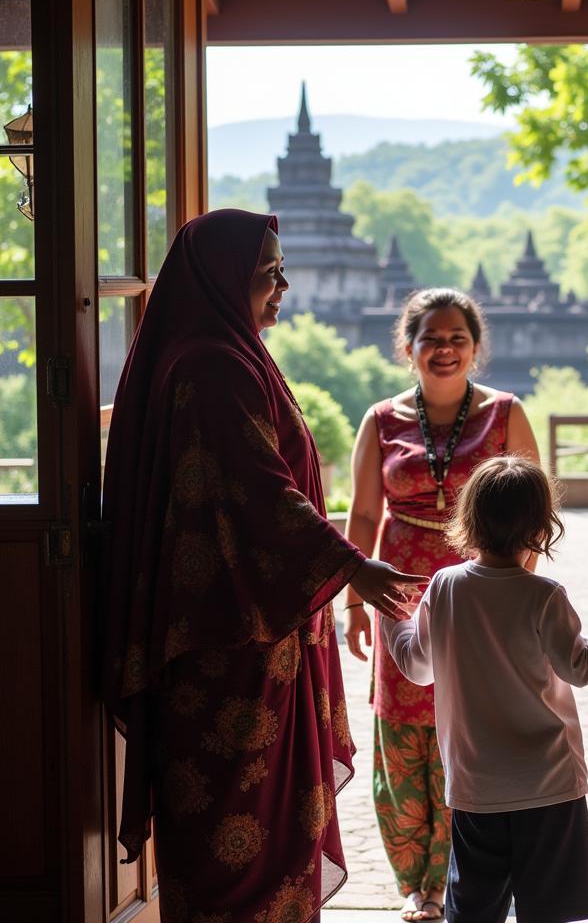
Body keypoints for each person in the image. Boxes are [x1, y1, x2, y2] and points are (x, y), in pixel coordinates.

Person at [100, 209, 425, 923]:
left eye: (281, 272)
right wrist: (351, 569)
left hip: (246, 634)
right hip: (230, 650)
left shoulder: (222, 350)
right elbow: (256, 490)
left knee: (250, 838)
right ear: (222, 280)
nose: (283, 288)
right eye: (266, 275)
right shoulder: (213, 365)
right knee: (237, 841)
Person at [343, 288, 541, 922]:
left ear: (476, 349)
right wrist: (353, 603)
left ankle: (463, 878)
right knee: (402, 735)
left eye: (458, 338)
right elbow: (366, 513)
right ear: (408, 348)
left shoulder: (506, 414)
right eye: (432, 339)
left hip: (482, 592)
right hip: (399, 594)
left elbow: (533, 512)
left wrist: (513, 591)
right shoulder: (380, 420)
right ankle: (416, 884)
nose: (445, 349)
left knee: (469, 730)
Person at [382, 455, 588, 923]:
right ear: (541, 527)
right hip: (548, 784)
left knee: (475, 907)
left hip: (475, 785)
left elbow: (418, 668)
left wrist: (394, 618)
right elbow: (580, 667)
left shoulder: (445, 587)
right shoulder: (544, 596)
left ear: (468, 519)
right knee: (548, 908)